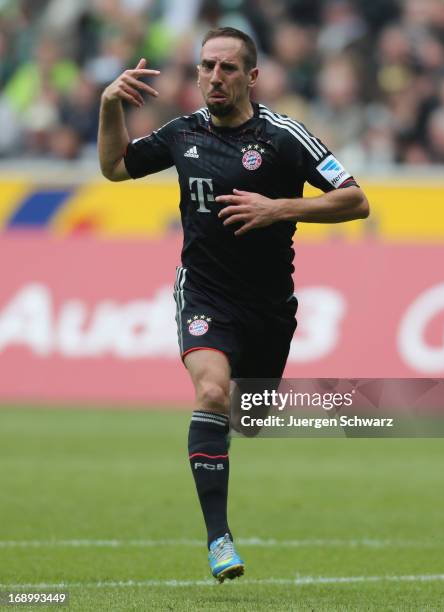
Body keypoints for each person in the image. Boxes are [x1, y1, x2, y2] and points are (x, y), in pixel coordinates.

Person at [98, 26, 369, 582]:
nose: (214, 77)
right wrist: (109, 106)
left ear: (251, 77)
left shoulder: (284, 136)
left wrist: (280, 209)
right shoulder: (181, 134)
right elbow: (116, 166)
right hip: (203, 292)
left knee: (250, 418)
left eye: (226, 68)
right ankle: (218, 538)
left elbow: (356, 200)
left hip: (269, 306)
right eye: (205, 66)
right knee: (212, 391)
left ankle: (225, 429)